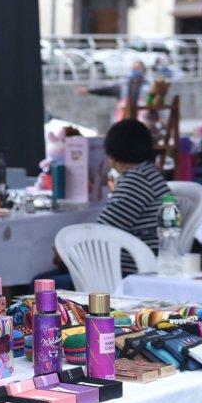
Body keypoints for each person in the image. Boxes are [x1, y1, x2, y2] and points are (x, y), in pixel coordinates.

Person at [97, 118, 172, 275]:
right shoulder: (149, 174)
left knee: (46, 280)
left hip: (132, 271)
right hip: (152, 263)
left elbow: (101, 232)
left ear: (112, 154)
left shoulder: (136, 181)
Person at [78, 60, 150, 121]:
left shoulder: (148, 86)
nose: (136, 71)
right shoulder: (123, 84)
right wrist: (89, 90)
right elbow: (106, 90)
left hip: (142, 119)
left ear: (143, 70)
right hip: (123, 118)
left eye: (138, 68)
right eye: (134, 68)